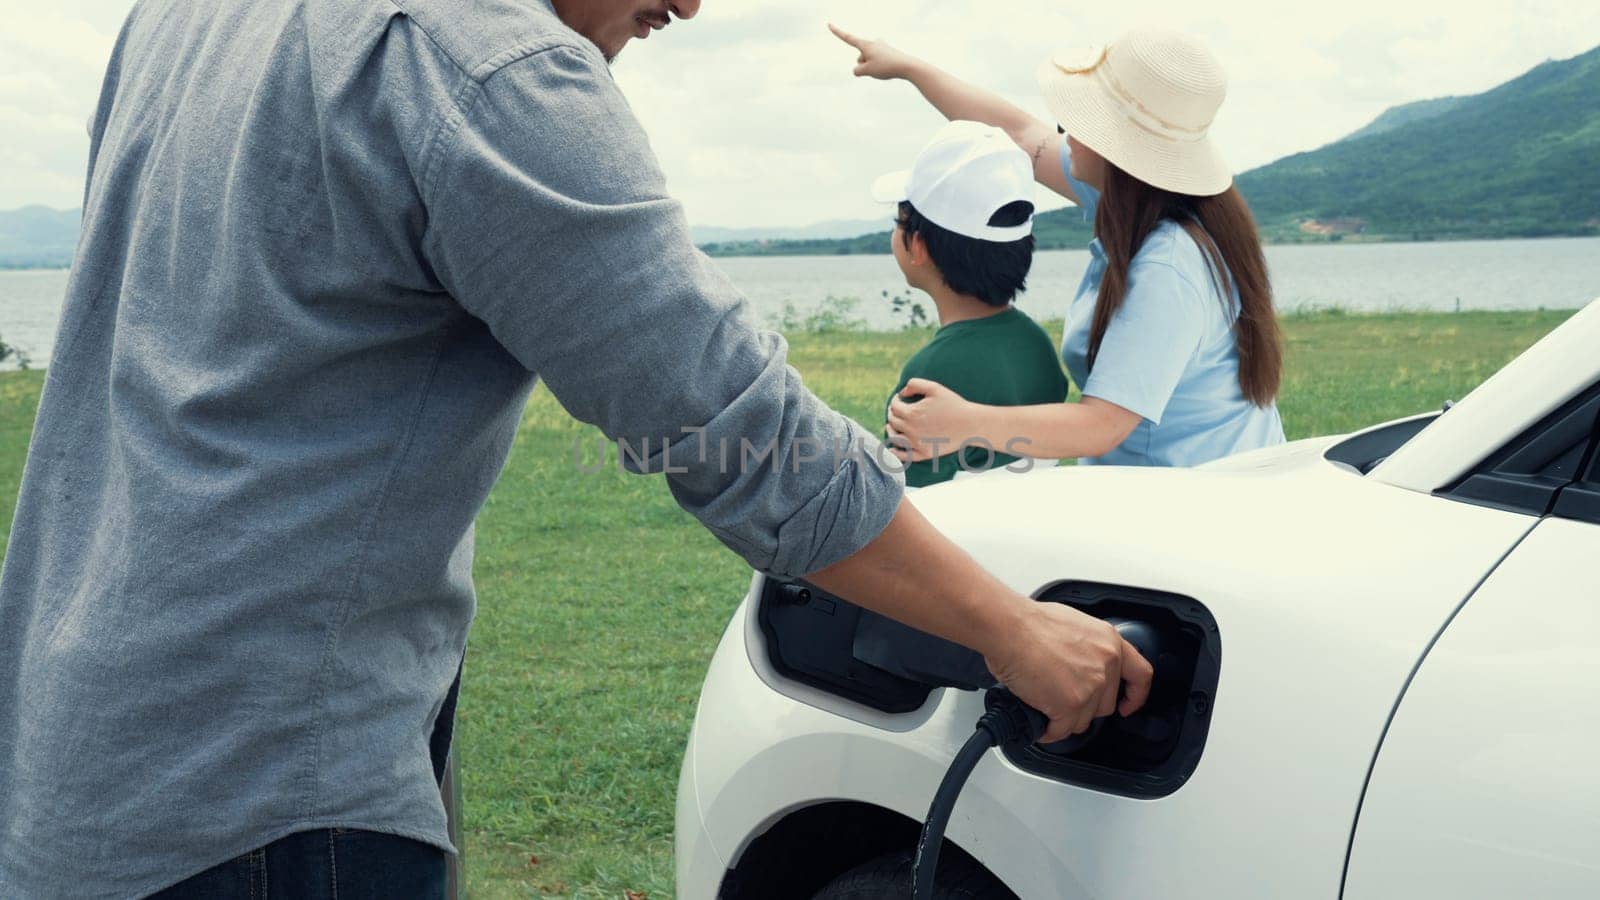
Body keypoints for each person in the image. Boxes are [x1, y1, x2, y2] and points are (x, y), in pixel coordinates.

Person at [0, 2, 1152, 898]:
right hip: (265, 800)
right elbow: (738, 432)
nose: (691, 7)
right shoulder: (488, 70)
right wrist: (1013, 630)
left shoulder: (184, 20)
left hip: (75, 757)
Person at [832, 24, 1288, 469]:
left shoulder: (1168, 267)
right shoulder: (1136, 200)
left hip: (1192, 502)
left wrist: (965, 422)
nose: (1065, 135)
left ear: (1119, 151)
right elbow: (1018, 131)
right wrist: (908, 67)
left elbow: (1103, 425)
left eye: (1077, 122)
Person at [873, 120, 1068, 487]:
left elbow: (906, 504)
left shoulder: (929, 375)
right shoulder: (1035, 343)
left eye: (898, 223)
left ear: (918, 246)